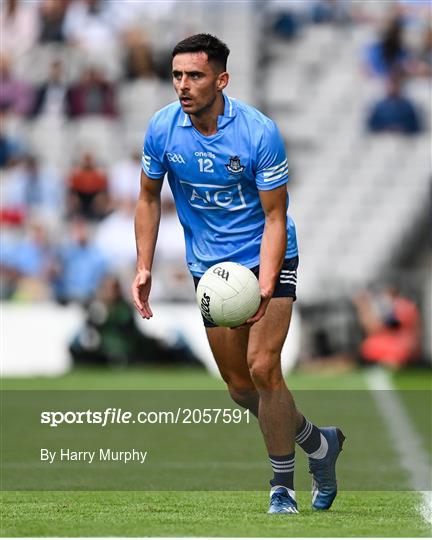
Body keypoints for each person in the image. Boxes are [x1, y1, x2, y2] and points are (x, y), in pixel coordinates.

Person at [132, 33, 345, 515]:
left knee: (264, 367)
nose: (183, 86)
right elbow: (147, 198)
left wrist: (267, 283)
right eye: (177, 76)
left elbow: (275, 216)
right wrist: (143, 265)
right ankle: (318, 444)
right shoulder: (162, 129)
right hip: (210, 269)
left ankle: (282, 487)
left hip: (266, 256)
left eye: (195, 76)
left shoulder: (258, 131)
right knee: (239, 388)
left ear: (222, 80)